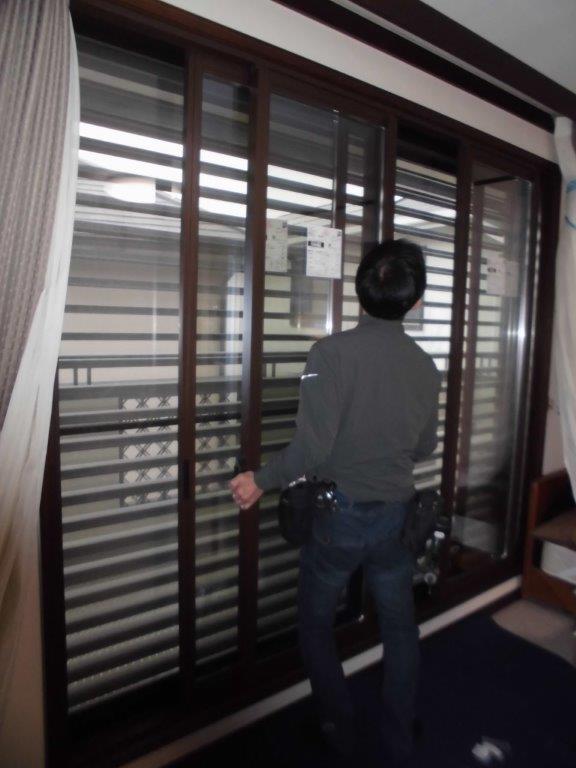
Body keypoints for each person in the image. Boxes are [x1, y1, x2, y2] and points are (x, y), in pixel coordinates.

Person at [229, 239, 441, 766]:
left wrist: (259, 479)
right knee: (400, 629)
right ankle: (398, 737)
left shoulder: (330, 354)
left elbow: (312, 449)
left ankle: (339, 730)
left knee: (316, 624)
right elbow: (423, 448)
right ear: (415, 302)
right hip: (396, 518)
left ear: (359, 291)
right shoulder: (425, 367)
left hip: (340, 517)